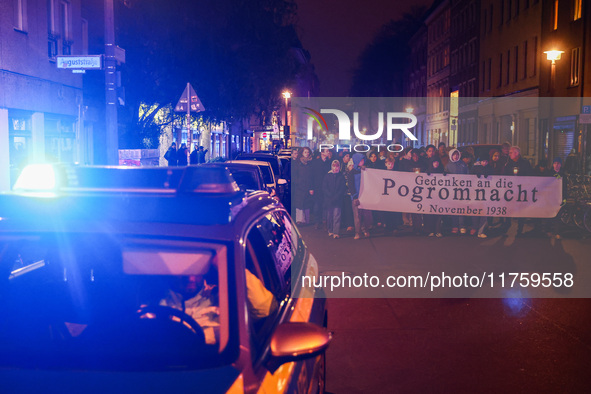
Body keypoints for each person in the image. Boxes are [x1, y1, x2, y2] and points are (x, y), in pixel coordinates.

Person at [159, 274, 219, 345]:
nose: (191, 279)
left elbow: (227, 332)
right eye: (184, 273)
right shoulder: (157, 299)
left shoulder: (218, 296)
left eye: (196, 272)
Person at [502, 146, 532, 236]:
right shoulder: (508, 164)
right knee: (508, 210)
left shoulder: (525, 164)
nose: (509, 154)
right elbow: (504, 176)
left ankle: (520, 230)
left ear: (517, 153)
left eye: (511, 152)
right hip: (510, 192)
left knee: (520, 210)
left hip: (521, 191)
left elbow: (530, 176)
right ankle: (506, 227)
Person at [445, 148, 469, 234]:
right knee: (454, 208)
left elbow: (467, 175)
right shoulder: (448, 165)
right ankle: (454, 225)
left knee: (461, 208)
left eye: (457, 154)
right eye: (454, 155)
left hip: (462, 190)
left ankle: (462, 225)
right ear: (451, 155)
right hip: (452, 190)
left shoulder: (463, 164)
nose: (456, 156)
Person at [322, 160, 346, 238]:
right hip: (329, 200)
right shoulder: (327, 176)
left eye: (337, 166)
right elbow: (324, 187)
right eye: (334, 166)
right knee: (329, 216)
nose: (336, 168)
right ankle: (330, 230)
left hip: (338, 200)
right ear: (332, 166)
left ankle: (336, 232)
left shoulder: (341, 176)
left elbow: (342, 188)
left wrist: (336, 196)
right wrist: (330, 195)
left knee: (337, 215)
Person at [293, 147, 314, 225]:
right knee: (299, 203)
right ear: (302, 153)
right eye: (305, 152)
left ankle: (306, 220)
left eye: (308, 152)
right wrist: (298, 182)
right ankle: (299, 220)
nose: (307, 154)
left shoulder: (311, 163)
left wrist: (311, 187)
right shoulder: (298, 163)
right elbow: (295, 175)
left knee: (307, 204)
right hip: (299, 187)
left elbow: (312, 176)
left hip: (308, 187)